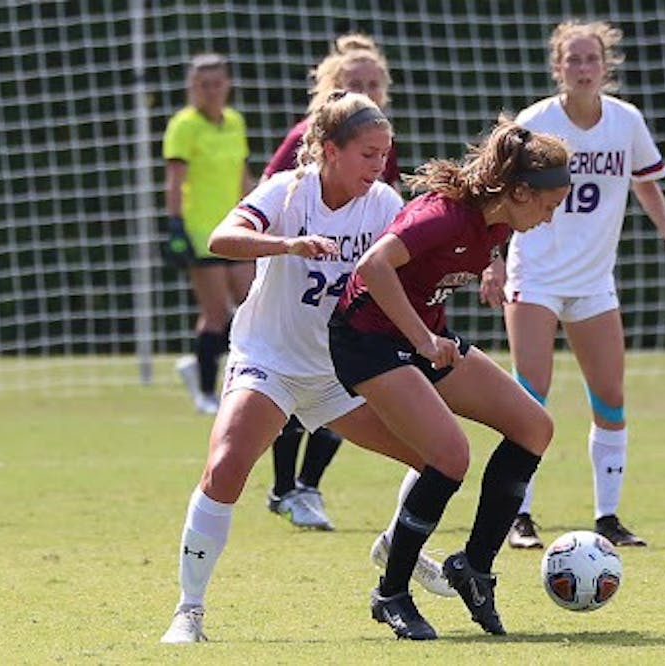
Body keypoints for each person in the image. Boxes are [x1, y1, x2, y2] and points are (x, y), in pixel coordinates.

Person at [160, 91, 451, 645]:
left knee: (439, 460)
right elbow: (223, 238)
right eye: (368, 153)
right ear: (330, 150)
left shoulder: (385, 204)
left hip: (340, 371)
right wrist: (287, 245)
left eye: (385, 154)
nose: (379, 165)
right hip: (269, 360)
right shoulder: (290, 190)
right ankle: (188, 612)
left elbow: (424, 254)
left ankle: (395, 543)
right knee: (225, 468)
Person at [329, 117, 571, 639]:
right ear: (521, 191)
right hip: (367, 342)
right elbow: (373, 266)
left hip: (422, 338)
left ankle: (475, 568)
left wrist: (492, 266)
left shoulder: (501, 219)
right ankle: (390, 594)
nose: (550, 219)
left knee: (534, 427)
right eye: (549, 207)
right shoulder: (441, 216)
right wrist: (420, 339)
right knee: (450, 457)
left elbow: (483, 243)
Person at [479, 20, 665, 550]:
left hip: (593, 279)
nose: (582, 68)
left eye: (590, 59)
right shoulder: (536, 123)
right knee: (530, 396)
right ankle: (519, 516)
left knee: (611, 396)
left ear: (606, 66)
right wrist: (493, 261)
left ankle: (608, 517)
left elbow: (645, 183)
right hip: (535, 273)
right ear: (558, 67)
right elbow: (493, 193)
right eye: (572, 59)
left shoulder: (625, 121)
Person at [260, 34, 399, 531]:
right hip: (297, 293)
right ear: (330, 88)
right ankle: (284, 487)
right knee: (292, 390)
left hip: (350, 293)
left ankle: (306, 487)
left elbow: (393, 220)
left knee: (350, 385)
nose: (363, 90)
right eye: (351, 83)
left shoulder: (381, 146)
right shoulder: (306, 143)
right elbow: (269, 198)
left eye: (371, 83)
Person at [163, 53, 256, 415]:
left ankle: (200, 363)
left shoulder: (234, 122)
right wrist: (175, 225)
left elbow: (241, 175)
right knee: (216, 312)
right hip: (201, 231)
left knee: (251, 307)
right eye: (204, 85)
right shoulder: (184, 126)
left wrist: (261, 209)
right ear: (193, 88)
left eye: (218, 83)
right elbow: (175, 181)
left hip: (235, 227)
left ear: (227, 85)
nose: (212, 91)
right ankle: (204, 391)